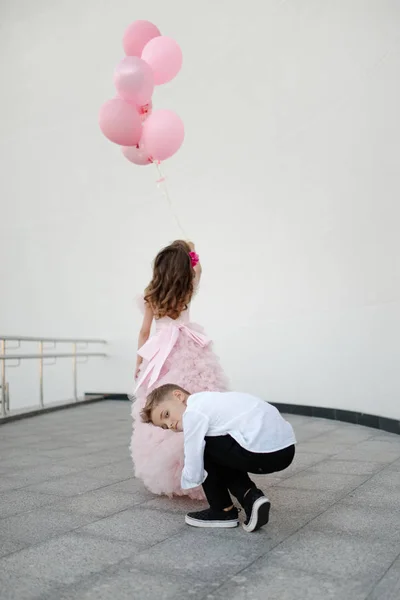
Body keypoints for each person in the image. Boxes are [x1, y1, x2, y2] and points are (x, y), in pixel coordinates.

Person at [130, 240, 228, 499]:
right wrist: (189, 249)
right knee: (196, 400)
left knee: (160, 406)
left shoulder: (151, 295)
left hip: (161, 353)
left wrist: (140, 363)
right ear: (184, 267)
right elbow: (198, 268)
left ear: (158, 269)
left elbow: (144, 332)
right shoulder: (187, 286)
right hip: (188, 349)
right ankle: (204, 468)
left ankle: (169, 469)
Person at [140, 384, 296, 532]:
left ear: (178, 395)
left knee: (204, 448)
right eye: (165, 426)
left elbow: (193, 454)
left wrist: (190, 480)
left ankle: (221, 510)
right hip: (286, 449)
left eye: (166, 414)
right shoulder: (212, 400)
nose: (170, 424)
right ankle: (251, 497)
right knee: (217, 449)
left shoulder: (193, 412)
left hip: (263, 453)